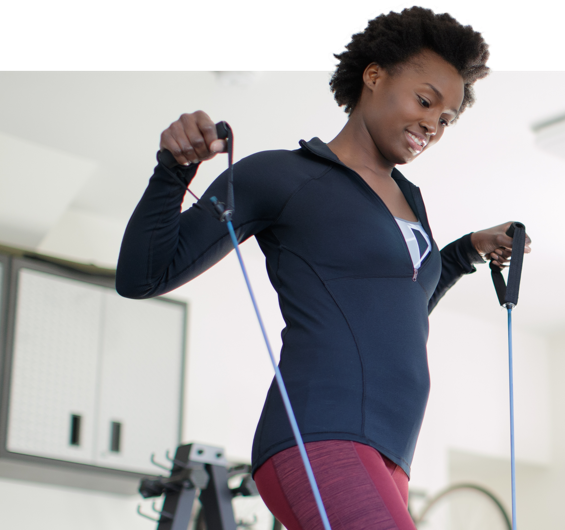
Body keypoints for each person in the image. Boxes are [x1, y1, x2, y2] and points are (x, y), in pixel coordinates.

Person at [116, 5, 530, 529]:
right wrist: (173, 169)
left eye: (446, 119)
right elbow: (143, 276)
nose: (433, 124)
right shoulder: (283, 176)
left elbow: (398, 306)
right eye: (425, 101)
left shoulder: (410, 200)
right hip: (320, 436)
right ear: (373, 75)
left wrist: (464, 250)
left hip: (390, 451)